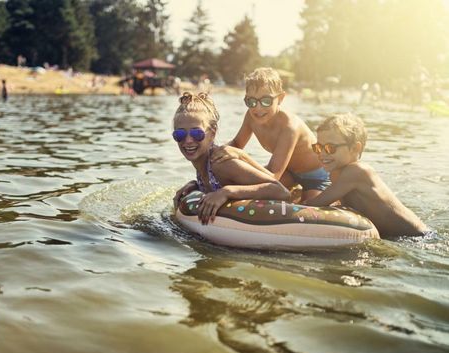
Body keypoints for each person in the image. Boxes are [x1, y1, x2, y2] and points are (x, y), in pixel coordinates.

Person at [212, 67, 330, 201]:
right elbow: (237, 144)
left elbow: (273, 176)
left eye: (266, 101)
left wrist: (240, 155)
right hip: (288, 172)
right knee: (246, 185)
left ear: (280, 98)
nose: (258, 108)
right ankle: (294, 191)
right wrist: (217, 152)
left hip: (315, 175)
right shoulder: (251, 117)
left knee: (310, 207)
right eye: (251, 101)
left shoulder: (290, 127)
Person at [303, 113, 428, 238]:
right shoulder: (336, 174)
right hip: (394, 236)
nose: (322, 153)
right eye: (318, 147)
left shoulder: (356, 171)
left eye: (330, 148)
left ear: (355, 148)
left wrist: (289, 205)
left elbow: (316, 203)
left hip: (415, 236)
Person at [172, 92, 290, 224]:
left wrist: (228, 192)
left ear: (212, 132)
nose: (188, 140)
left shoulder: (220, 164)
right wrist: (196, 185)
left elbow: (281, 191)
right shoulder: (201, 163)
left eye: (196, 133)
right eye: (180, 134)